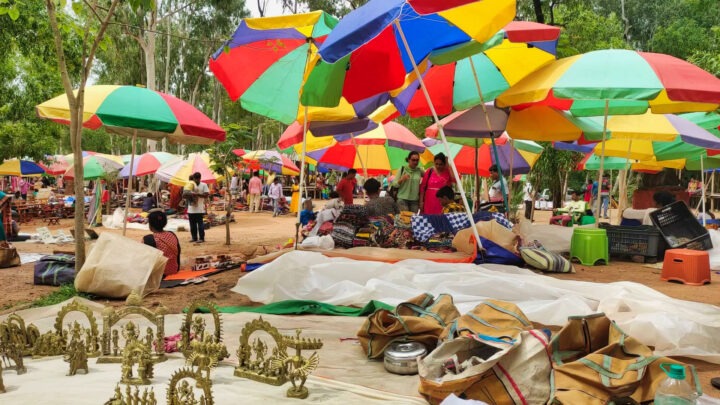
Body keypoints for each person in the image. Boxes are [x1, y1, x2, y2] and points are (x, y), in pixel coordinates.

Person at [142, 210, 181, 277]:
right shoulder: (172, 234)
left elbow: (144, 258)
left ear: (150, 225)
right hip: (173, 270)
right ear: (165, 223)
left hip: (158, 274)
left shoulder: (148, 239)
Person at [187, 172, 209, 243]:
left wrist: (197, 194)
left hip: (199, 209)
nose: (196, 181)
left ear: (200, 178)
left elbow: (206, 195)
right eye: (194, 179)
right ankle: (194, 238)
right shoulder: (190, 185)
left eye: (197, 179)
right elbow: (184, 193)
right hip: (191, 209)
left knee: (200, 225)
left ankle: (201, 238)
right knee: (192, 225)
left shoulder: (204, 185)